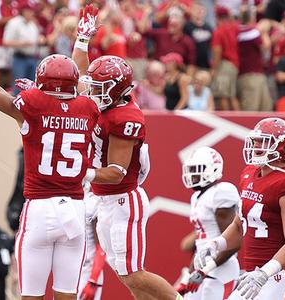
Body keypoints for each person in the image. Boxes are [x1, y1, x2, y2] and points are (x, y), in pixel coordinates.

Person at [0, 27, 100, 300]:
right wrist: (83, 39)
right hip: (75, 209)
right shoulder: (87, 107)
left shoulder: (32, 104)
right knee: (67, 295)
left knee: (31, 296)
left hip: (40, 208)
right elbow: (83, 78)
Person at [71, 4, 183, 300]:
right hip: (105, 199)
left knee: (133, 273)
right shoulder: (106, 98)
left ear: (116, 88)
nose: (92, 91)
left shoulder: (125, 118)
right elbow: (79, 70)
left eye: (99, 87)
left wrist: (79, 170)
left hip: (121, 199)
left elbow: (116, 172)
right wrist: (83, 38)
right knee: (126, 276)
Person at [196, 117, 285, 300]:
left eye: (263, 141)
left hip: (279, 276)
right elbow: (240, 223)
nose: (256, 145)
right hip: (252, 275)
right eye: (256, 140)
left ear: (282, 148)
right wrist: (217, 244)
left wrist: (264, 274)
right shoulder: (249, 174)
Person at [176, 147, 240, 299]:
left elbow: (233, 242)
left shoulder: (221, 193)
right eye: (190, 169)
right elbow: (201, 243)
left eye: (197, 170)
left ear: (213, 170)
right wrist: (190, 274)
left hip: (221, 269)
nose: (192, 175)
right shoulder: (197, 197)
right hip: (203, 268)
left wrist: (204, 270)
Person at [78, 183, 106, 300]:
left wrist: (93, 278)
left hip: (88, 269)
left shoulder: (93, 202)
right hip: (71, 266)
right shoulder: (68, 199)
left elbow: (101, 246)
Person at [211, 5, 240, 111]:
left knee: (223, 95)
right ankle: (239, 120)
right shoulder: (234, 28)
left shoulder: (219, 31)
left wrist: (214, 68)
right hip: (234, 64)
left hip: (224, 65)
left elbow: (217, 50)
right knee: (232, 95)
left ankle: (229, 120)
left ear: (217, 17)